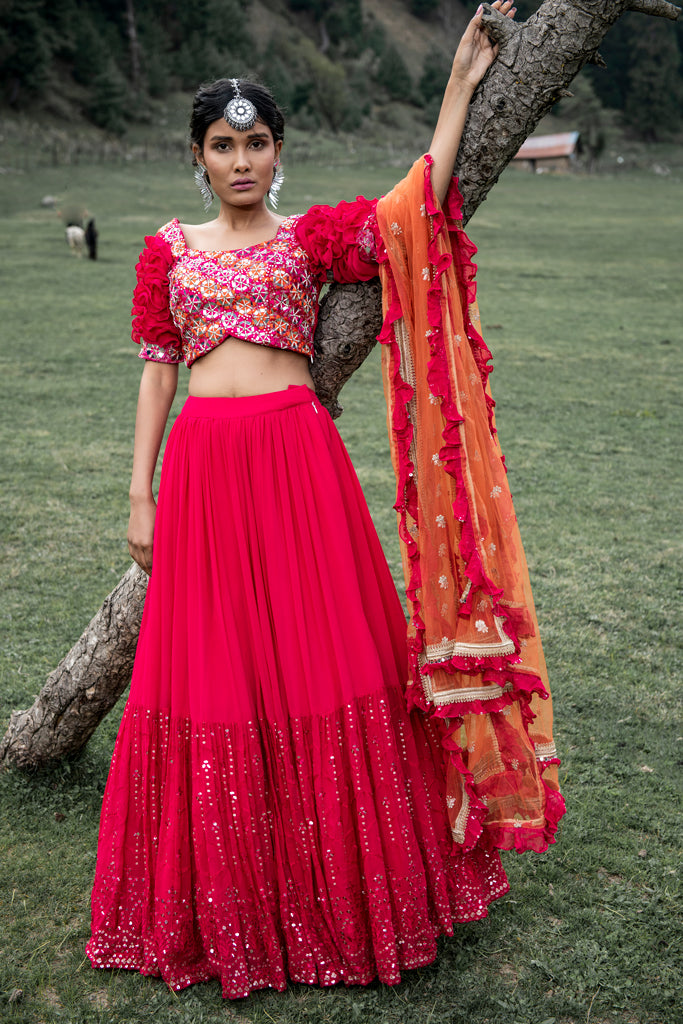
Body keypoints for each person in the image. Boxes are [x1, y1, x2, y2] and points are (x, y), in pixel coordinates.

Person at [86, 3, 564, 999]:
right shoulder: (164, 252)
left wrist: (458, 88)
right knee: (215, 676)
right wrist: (138, 493)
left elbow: (413, 206)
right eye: (222, 145)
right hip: (204, 476)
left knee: (323, 663)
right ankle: (233, 899)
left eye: (256, 142)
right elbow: (155, 375)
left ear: (278, 150)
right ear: (196, 156)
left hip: (299, 468)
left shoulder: (310, 238)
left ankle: (346, 895)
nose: (241, 160)